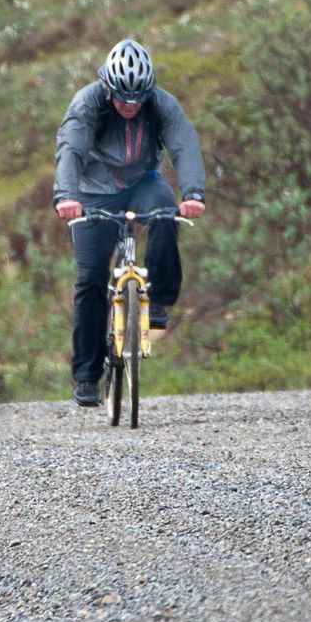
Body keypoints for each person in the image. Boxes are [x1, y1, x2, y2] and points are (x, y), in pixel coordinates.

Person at [53, 38, 207, 407]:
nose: (130, 105)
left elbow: (184, 145)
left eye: (137, 99)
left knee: (165, 214)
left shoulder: (162, 104)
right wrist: (66, 196)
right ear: (108, 86)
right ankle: (87, 375)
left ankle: (159, 301)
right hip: (92, 192)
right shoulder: (88, 102)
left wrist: (194, 194)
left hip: (142, 184)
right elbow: (70, 149)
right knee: (90, 280)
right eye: (122, 98)